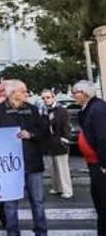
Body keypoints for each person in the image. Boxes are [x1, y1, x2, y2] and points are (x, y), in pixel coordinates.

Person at [0, 79, 47, 236]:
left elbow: (43, 132)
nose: (26, 94)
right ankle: (12, 232)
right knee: (10, 204)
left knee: (38, 202)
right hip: (9, 165)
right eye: (23, 91)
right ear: (13, 93)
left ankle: (41, 232)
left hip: (33, 162)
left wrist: (31, 134)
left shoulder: (32, 109)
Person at [73, 79, 106, 234]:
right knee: (98, 198)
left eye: (76, 93)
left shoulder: (97, 108)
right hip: (93, 162)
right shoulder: (89, 108)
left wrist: (104, 163)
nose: (73, 96)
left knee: (102, 200)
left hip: (100, 163)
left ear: (85, 93)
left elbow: (103, 136)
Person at [40, 88, 73, 199]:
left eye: (48, 97)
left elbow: (66, 126)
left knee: (62, 168)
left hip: (59, 142)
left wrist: (65, 138)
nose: (46, 100)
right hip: (49, 143)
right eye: (43, 98)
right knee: (53, 168)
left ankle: (67, 190)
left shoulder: (61, 110)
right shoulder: (44, 111)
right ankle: (56, 187)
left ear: (53, 97)